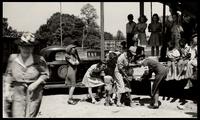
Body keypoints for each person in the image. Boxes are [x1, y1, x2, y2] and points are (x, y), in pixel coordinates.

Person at [3, 32, 49, 117]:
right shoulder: (13, 58)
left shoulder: (39, 59)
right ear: (19, 47)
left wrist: (35, 83)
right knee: (18, 115)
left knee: (30, 115)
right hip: (17, 92)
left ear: (33, 48)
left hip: (34, 92)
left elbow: (45, 74)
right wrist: (6, 91)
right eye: (24, 46)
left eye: (29, 46)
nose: (26, 49)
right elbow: (8, 75)